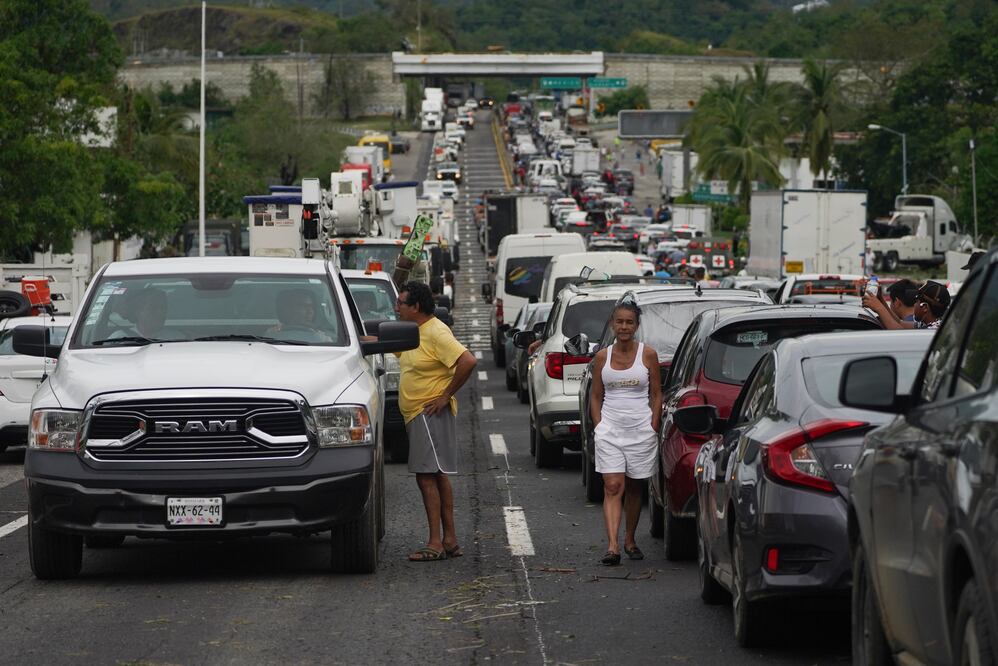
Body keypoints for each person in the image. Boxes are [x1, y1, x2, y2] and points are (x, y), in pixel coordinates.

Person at [395, 281, 478, 562]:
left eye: (401, 303)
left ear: (415, 306)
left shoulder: (435, 331)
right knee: (436, 473)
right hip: (417, 414)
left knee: (426, 476)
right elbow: (391, 348)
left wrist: (445, 396)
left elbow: (467, 360)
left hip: (428, 412)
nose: (396, 307)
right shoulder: (413, 332)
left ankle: (435, 542)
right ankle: (450, 539)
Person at [588, 301, 662, 565]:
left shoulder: (648, 355)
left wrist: (652, 425)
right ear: (612, 324)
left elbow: (656, 395)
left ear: (637, 326)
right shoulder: (602, 357)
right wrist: (599, 426)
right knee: (612, 485)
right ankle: (612, 547)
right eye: (619, 322)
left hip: (641, 432)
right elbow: (595, 396)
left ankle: (630, 540)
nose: (624, 327)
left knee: (633, 487)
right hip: (610, 431)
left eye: (629, 322)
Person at [267, 289, 333, 342]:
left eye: (312, 307)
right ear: (290, 310)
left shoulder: (323, 338)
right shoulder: (271, 335)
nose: (310, 311)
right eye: (304, 306)